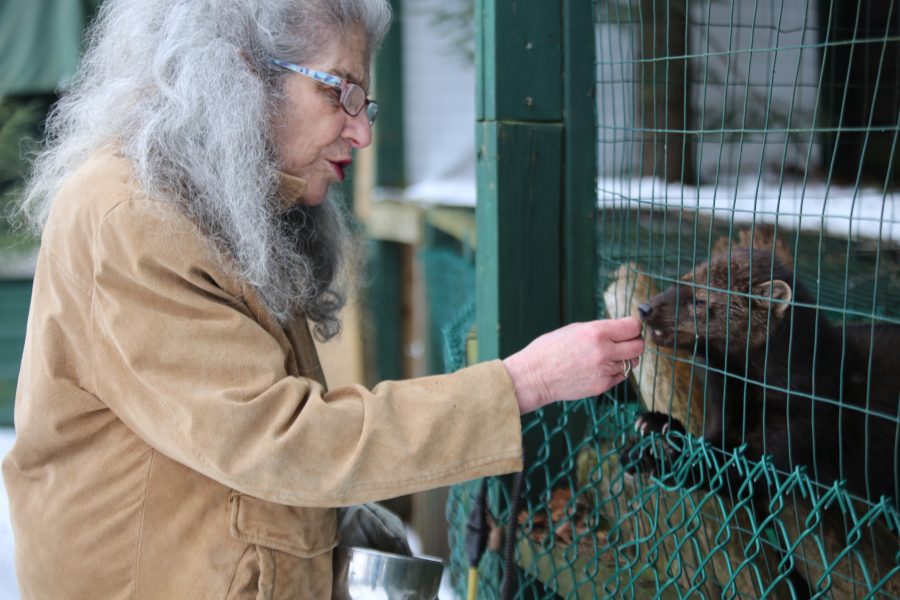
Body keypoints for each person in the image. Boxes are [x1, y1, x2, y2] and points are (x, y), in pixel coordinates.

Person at [1, 0, 644, 597]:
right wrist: (522, 382)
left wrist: (329, 523)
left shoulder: (216, 197)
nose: (361, 134)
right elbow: (280, 440)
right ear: (242, 71)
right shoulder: (134, 218)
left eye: (367, 103)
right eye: (341, 92)